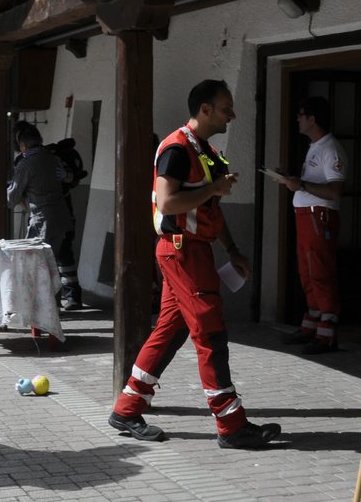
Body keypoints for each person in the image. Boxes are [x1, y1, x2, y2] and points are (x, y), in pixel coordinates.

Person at [108, 79, 281, 449]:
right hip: (182, 252)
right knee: (211, 334)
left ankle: (127, 408)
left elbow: (210, 210)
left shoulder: (204, 150)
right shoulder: (176, 149)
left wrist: (232, 248)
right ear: (204, 110)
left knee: (171, 331)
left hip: (192, 251)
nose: (231, 115)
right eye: (225, 108)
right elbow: (168, 204)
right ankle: (232, 425)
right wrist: (214, 189)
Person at [275, 95, 347, 353]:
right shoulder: (315, 146)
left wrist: (301, 185)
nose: (297, 119)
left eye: (301, 114)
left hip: (319, 216)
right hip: (306, 215)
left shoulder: (330, 149)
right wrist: (292, 181)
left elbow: (335, 191)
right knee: (307, 271)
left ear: (312, 119)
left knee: (320, 270)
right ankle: (313, 324)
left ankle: (327, 332)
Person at [7, 123, 80, 308]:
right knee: (52, 264)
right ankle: (54, 307)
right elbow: (69, 178)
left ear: (23, 145)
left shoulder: (24, 165)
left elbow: (11, 198)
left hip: (42, 220)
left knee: (36, 266)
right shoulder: (53, 158)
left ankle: (40, 309)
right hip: (61, 217)